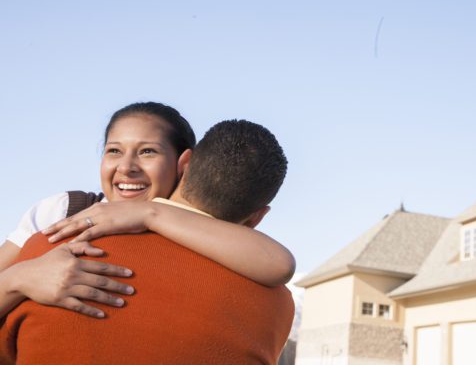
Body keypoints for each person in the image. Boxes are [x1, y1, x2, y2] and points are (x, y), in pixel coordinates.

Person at [0, 119, 294, 365]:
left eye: (148, 152)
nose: (127, 167)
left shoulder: (55, 243)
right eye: (114, 150)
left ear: (184, 163)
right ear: (257, 218)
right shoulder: (276, 305)